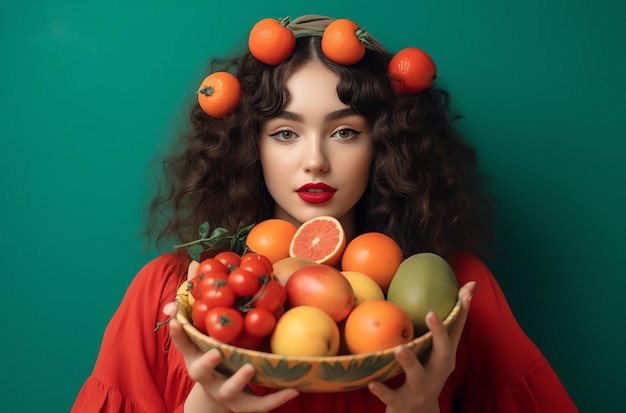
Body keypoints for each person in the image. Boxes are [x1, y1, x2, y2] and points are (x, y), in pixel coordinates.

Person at [71, 14, 577, 413]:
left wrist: (421, 409)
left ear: (384, 146)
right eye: (285, 133)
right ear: (252, 148)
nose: (315, 159)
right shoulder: (172, 297)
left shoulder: (456, 299)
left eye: (345, 131)